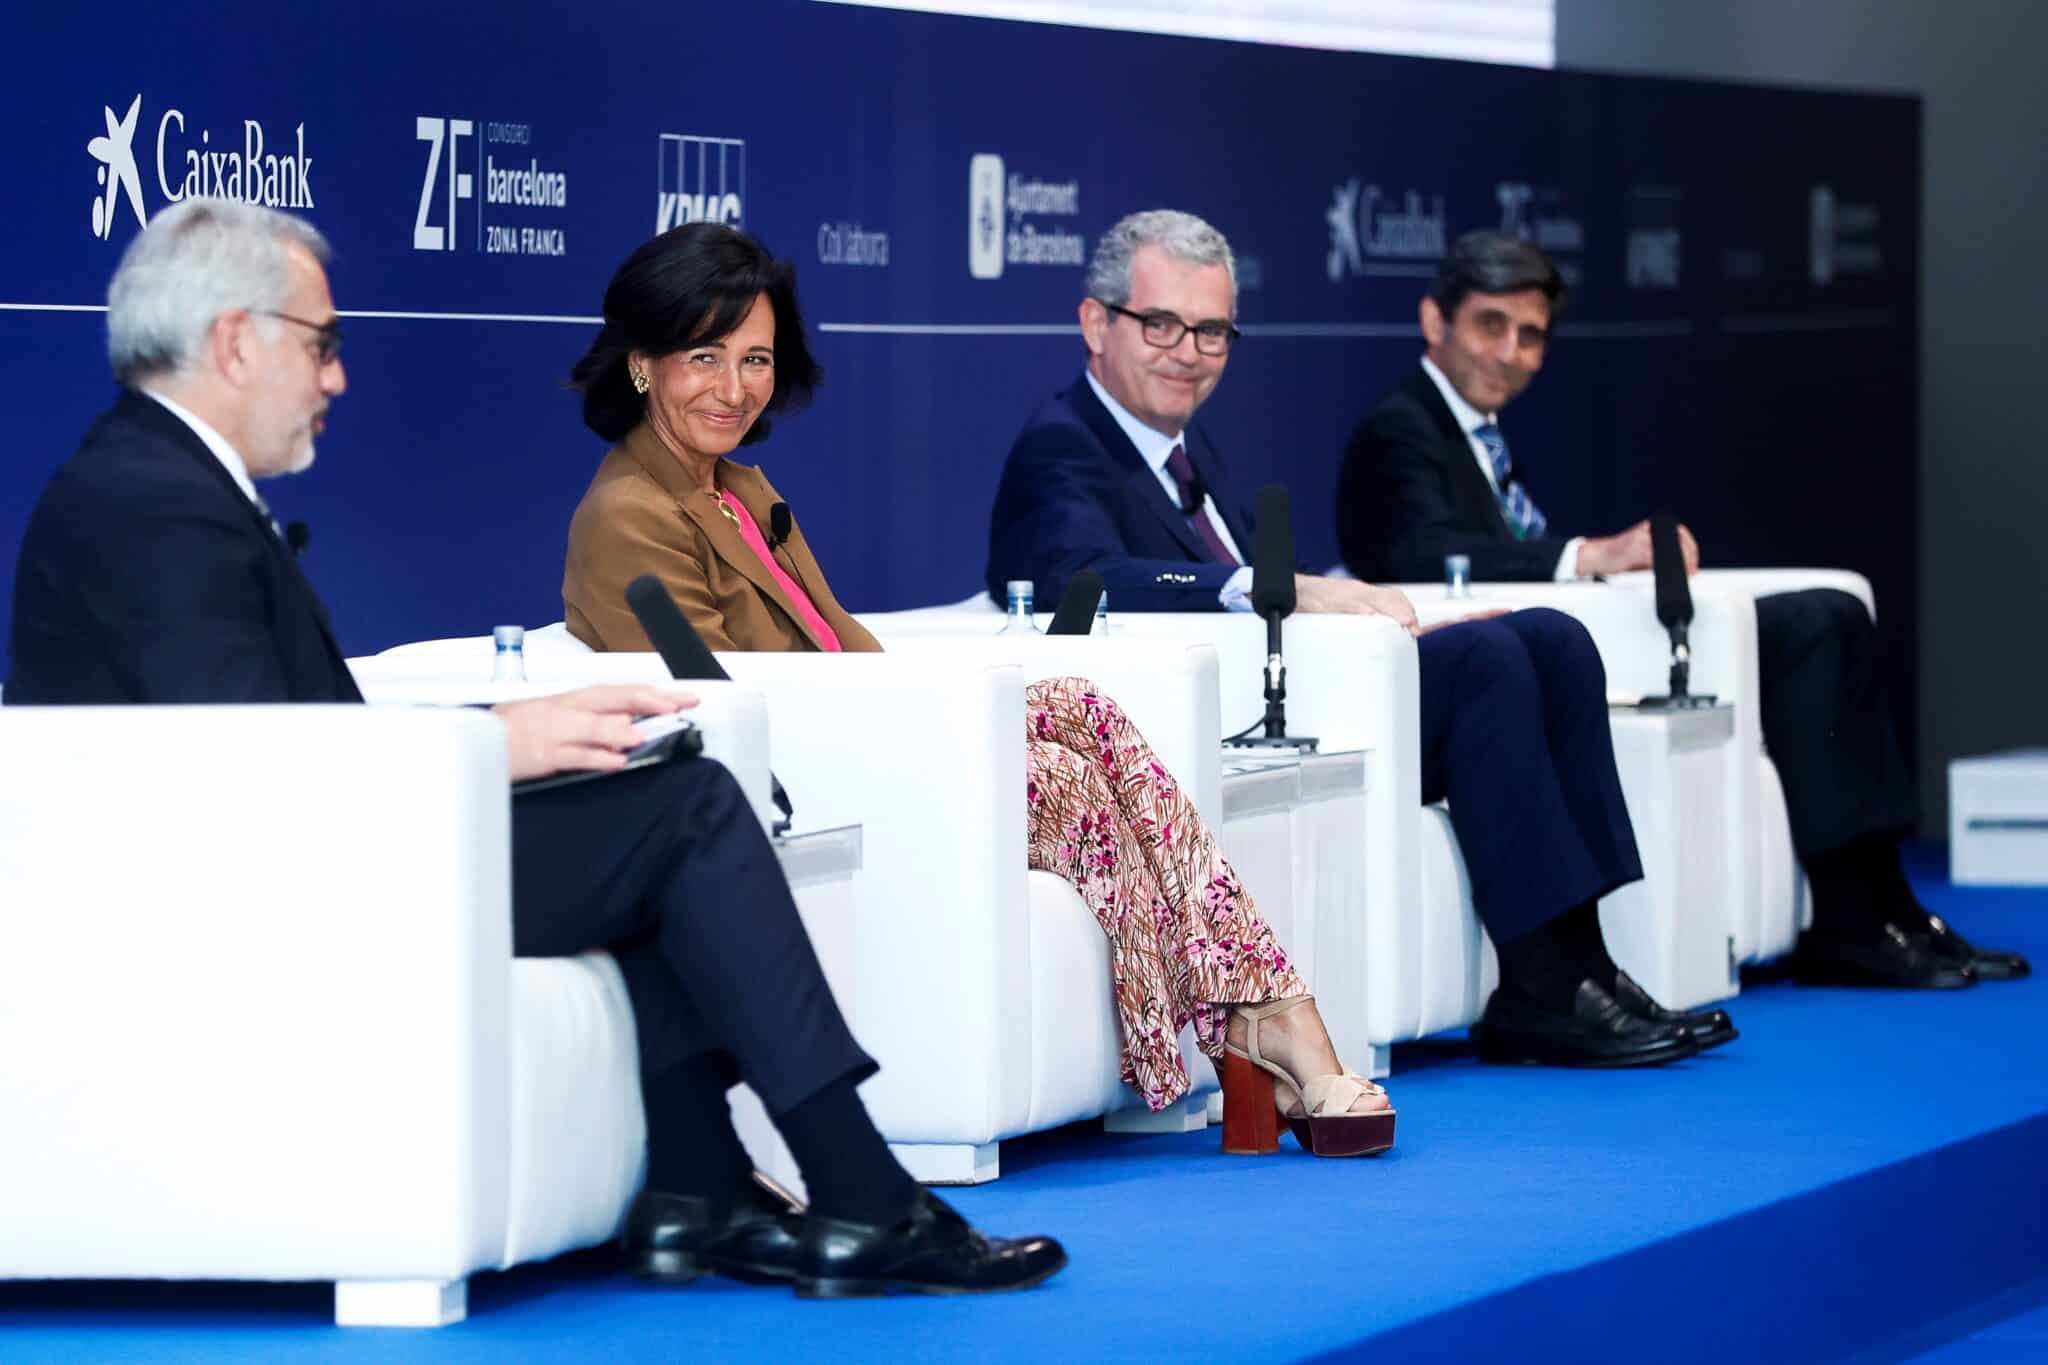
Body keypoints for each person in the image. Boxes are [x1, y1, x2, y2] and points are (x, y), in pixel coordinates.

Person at [4, 198, 1065, 1299]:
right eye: (320, 345)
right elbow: (256, 768)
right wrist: (490, 743)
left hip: (290, 848)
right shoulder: (153, 504)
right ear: (234, 340)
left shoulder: (160, 483)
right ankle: (858, 1195)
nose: (336, 379)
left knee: (655, 801)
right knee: (685, 814)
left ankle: (700, 1190)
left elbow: (268, 743)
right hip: (242, 889)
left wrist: (508, 748)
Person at [560, 222, 1394, 1156]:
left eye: (755, 358)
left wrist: (944, 709)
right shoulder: (630, 516)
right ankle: (1268, 1023)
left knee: (1079, 704)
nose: (734, 387)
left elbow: (844, 647)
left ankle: (1260, 1016)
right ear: (643, 364)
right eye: (703, 356)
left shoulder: (738, 490)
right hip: (808, 777)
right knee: (1073, 781)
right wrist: (933, 726)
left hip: (865, 731)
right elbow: (720, 708)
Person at [987, 208, 1735, 1068]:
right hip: (1199, 728)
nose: (1187, 352)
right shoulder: (1062, 447)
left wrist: (1363, 618)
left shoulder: (1191, 454)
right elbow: (1076, 574)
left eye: (1212, 332)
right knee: (1491, 663)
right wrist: (1272, 588)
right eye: (1161, 324)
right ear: (1095, 322)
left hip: (1298, 694)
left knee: (1554, 642)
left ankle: (1585, 965)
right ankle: (1542, 986)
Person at [1336, 229, 2026, 990]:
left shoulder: (1479, 433)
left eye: (1530, 335)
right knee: (1805, 631)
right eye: (1490, 326)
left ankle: (1881, 901)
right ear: (1436, 321)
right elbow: (1416, 552)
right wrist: (1587, 556)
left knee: (1833, 613)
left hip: (1576, 624)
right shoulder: (1399, 427)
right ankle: (1853, 918)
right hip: (1522, 644)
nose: (1510, 353)